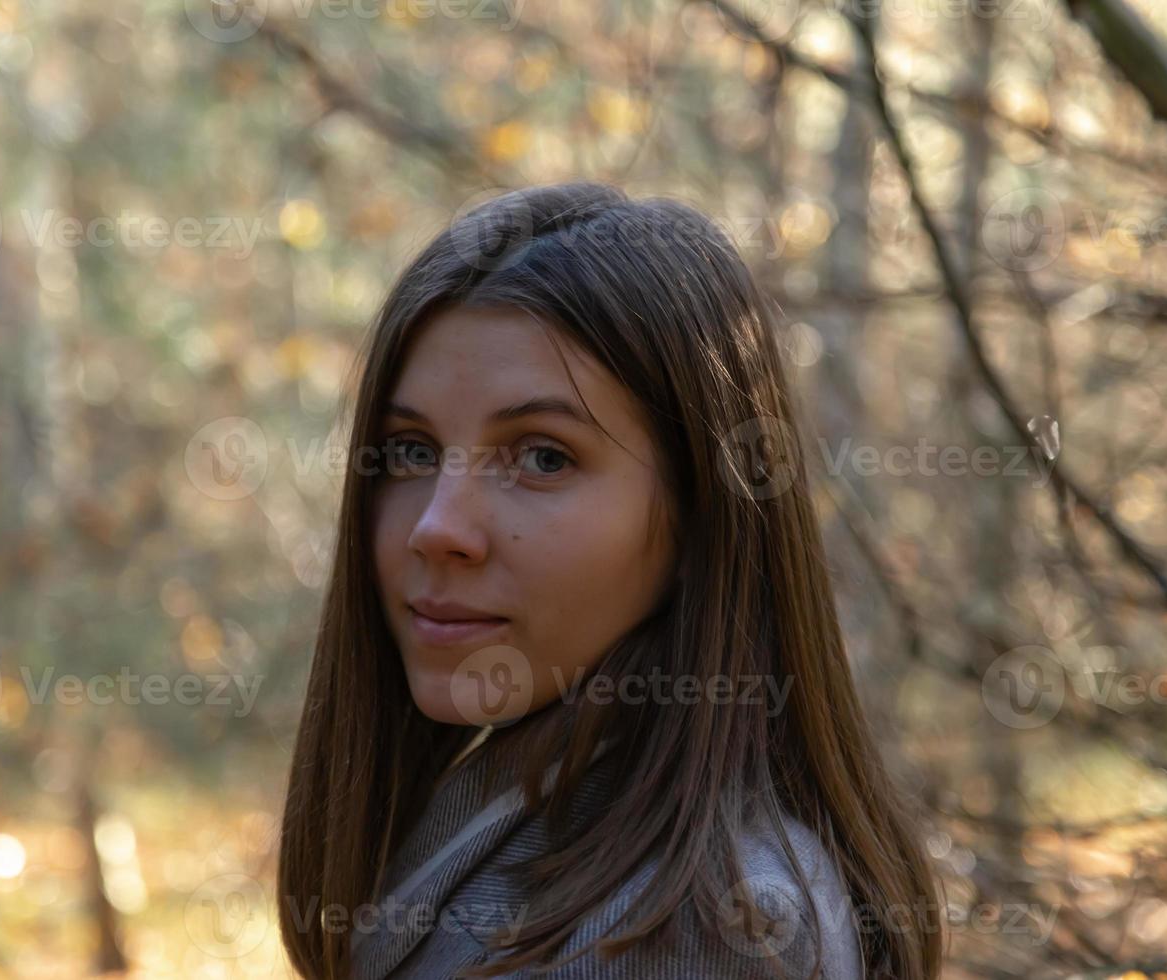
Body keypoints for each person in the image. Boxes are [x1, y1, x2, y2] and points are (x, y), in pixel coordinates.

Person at [277, 181, 941, 979]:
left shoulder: (696, 929)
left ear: (705, 513)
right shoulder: (524, 823)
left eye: (543, 456)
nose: (437, 528)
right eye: (412, 451)